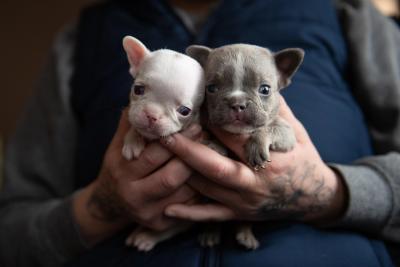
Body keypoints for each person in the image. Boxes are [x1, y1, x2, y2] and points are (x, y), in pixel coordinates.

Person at [0, 0, 399, 266]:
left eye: (262, 89)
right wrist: (101, 206)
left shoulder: (344, 13)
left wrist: (329, 192)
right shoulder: (84, 35)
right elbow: (10, 231)